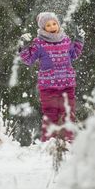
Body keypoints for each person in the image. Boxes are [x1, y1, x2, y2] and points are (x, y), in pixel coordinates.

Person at [18, 12, 85, 142]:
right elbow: (28, 59)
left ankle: (66, 142)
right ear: (43, 28)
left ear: (58, 24)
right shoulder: (39, 43)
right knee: (51, 114)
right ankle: (50, 142)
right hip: (49, 87)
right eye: (48, 25)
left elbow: (74, 54)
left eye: (54, 23)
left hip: (67, 85)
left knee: (68, 113)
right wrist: (25, 46)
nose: (52, 26)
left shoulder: (65, 40)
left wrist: (79, 40)